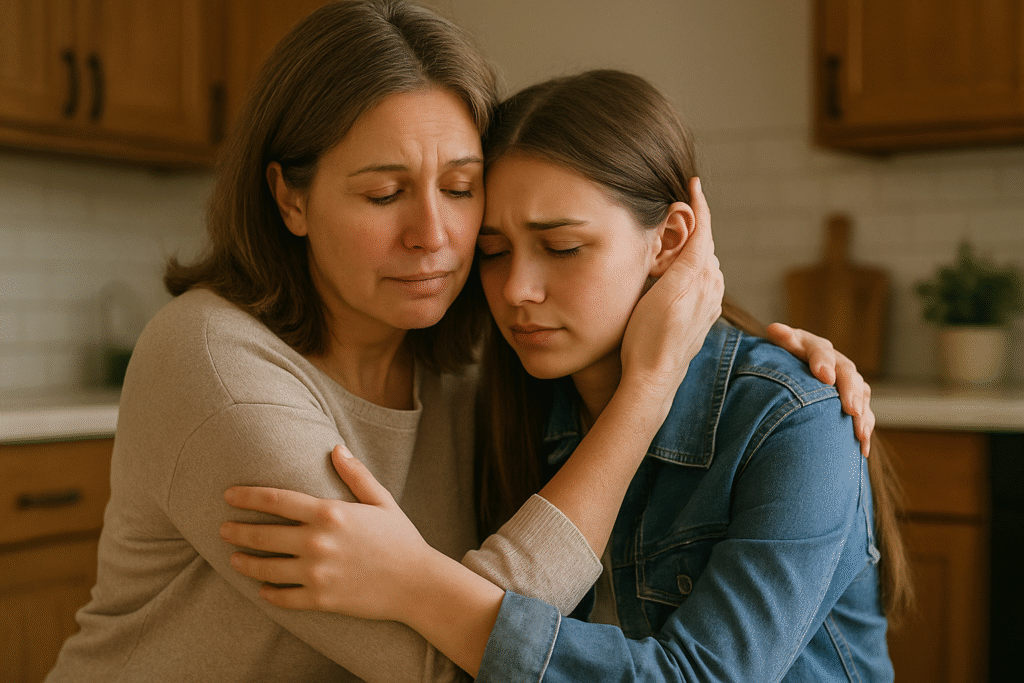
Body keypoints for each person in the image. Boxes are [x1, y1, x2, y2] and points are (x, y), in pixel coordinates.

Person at [46, 1, 874, 681]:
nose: (435, 237)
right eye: (383, 193)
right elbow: (446, 666)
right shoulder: (215, 361)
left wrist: (786, 371)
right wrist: (648, 391)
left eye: (460, 188)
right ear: (290, 200)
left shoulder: (477, 360)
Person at [219, 68, 910, 682]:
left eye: (562, 246)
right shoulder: (505, 396)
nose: (517, 287)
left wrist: (415, 582)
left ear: (667, 240)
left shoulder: (790, 420)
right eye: (492, 251)